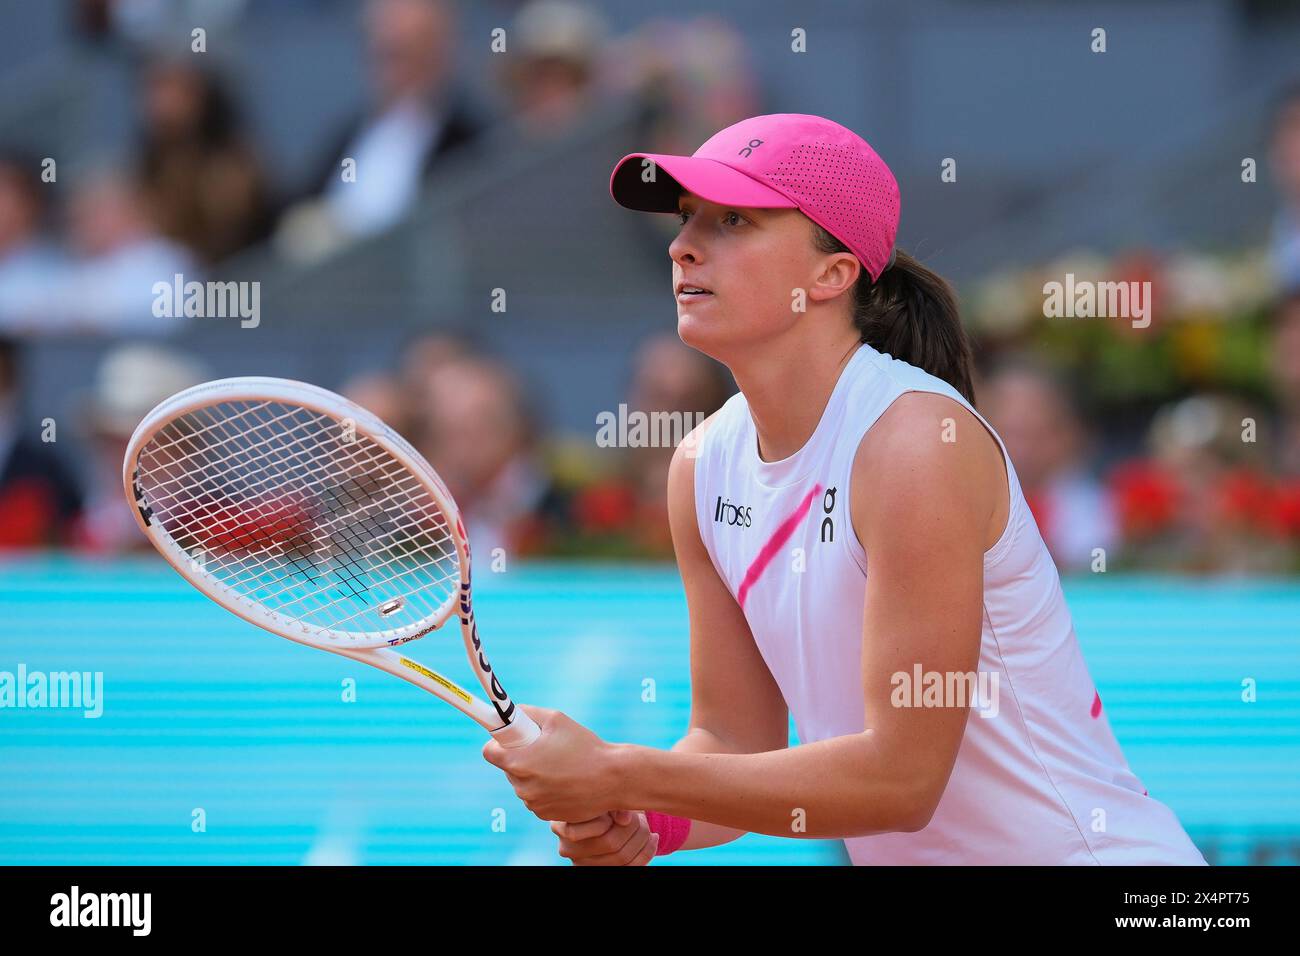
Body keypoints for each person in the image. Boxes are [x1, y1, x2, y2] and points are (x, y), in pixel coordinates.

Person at [482, 113, 1206, 865]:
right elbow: (731, 741)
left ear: (832, 273)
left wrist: (619, 771)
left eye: (733, 220)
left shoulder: (916, 443)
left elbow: (900, 780)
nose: (682, 245)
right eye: (687, 218)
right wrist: (641, 817)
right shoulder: (699, 465)